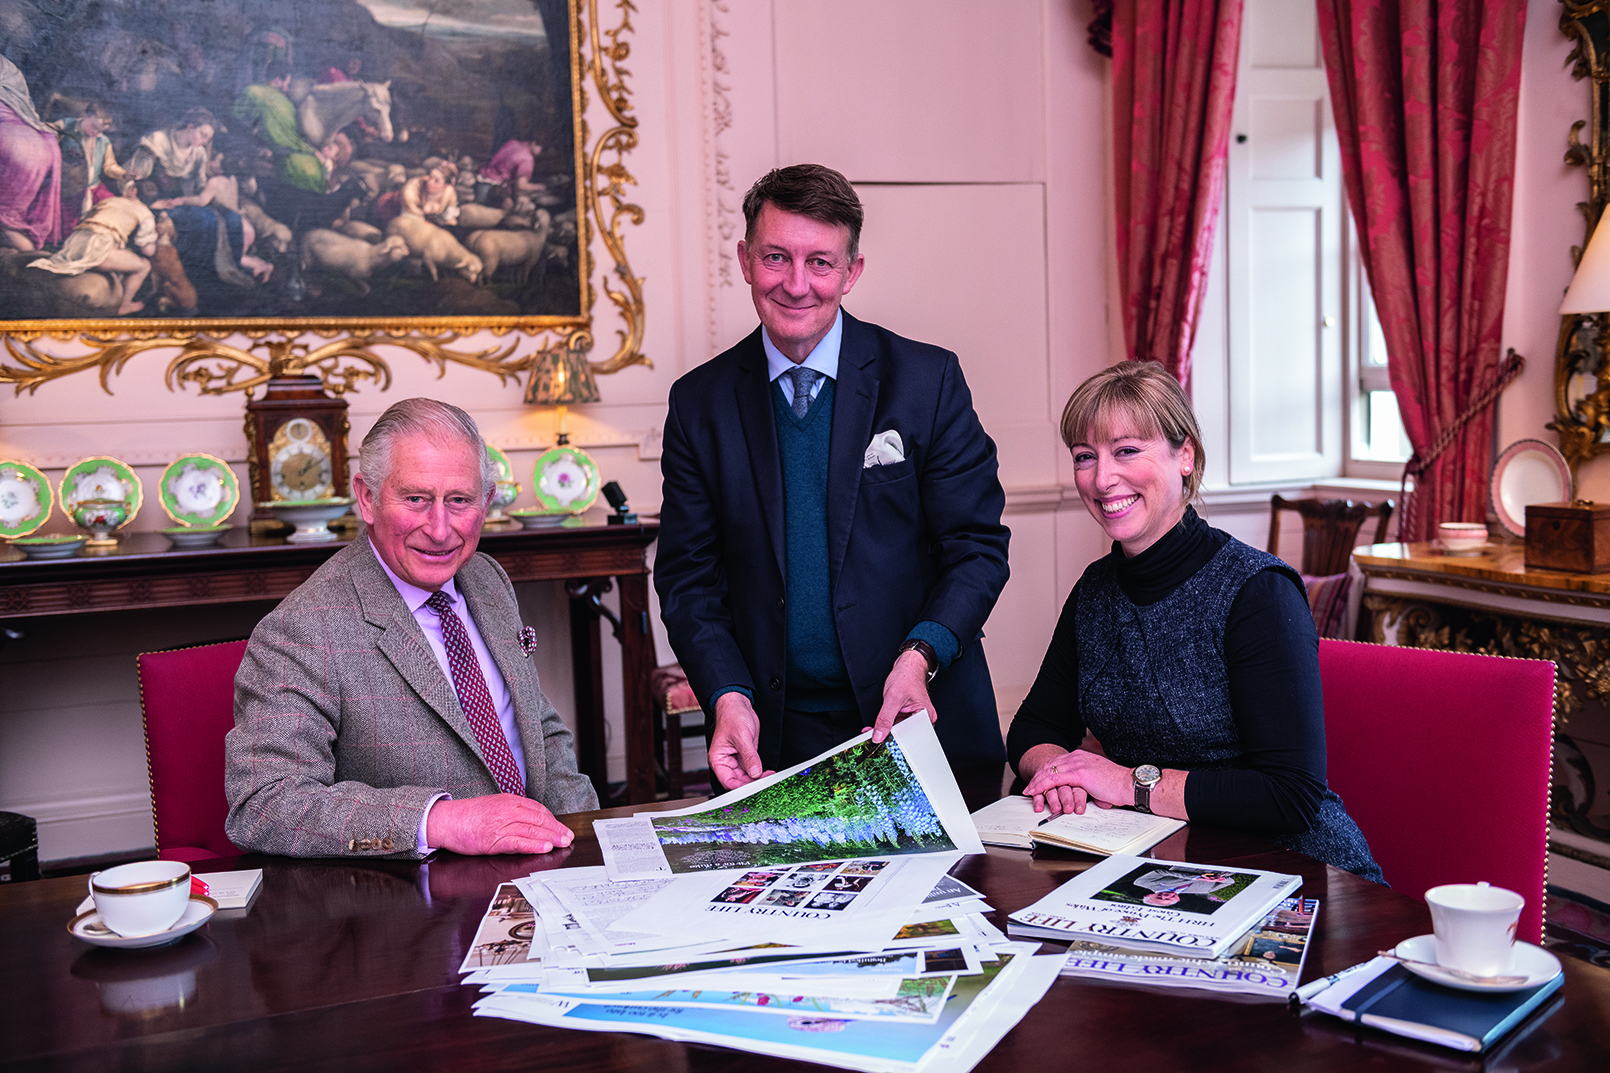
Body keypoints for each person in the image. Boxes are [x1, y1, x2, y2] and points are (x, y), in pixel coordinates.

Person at [655, 163, 1010, 790]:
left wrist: (922, 654)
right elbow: (689, 579)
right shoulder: (698, 404)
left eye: (820, 262)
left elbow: (977, 548)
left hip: (920, 721)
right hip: (773, 745)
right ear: (744, 260)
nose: (797, 284)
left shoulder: (928, 381)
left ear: (852, 271)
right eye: (775, 258)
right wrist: (727, 695)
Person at [1008, 361, 1384, 882]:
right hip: (1166, 863)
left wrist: (1126, 783)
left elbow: (1290, 793)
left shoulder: (1258, 591)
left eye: (1127, 451)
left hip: (1295, 870)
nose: (1101, 478)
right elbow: (1034, 728)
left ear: (1184, 455)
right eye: (1084, 457)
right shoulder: (1094, 590)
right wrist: (1061, 773)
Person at [224, 398, 598, 858]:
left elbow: (538, 730)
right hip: (417, 897)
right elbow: (264, 805)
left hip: (546, 866)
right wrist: (438, 820)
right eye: (416, 499)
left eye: (459, 501)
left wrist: (585, 840)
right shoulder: (301, 629)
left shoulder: (487, 578)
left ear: (486, 501)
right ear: (367, 498)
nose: (440, 530)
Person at [29, 188, 156, 315]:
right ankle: (123, 305)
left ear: (133, 191)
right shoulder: (145, 213)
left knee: (120, 254)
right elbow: (148, 250)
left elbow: (84, 218)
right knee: (144, 265)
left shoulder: (111, 201)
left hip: (75, 242)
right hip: (100, 248)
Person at [0, 55, 61, 251]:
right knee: (10, 225)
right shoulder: (8, 66)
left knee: (5, 226)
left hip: (14, 143)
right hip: (41, 143)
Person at [474, 138, 543, 207]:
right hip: (496, 191)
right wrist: (541, 187)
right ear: (534, 143)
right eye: (542, 147)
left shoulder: (512, 143)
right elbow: (521, 186)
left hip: (482, 180)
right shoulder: (527, 159)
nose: (542, 152)